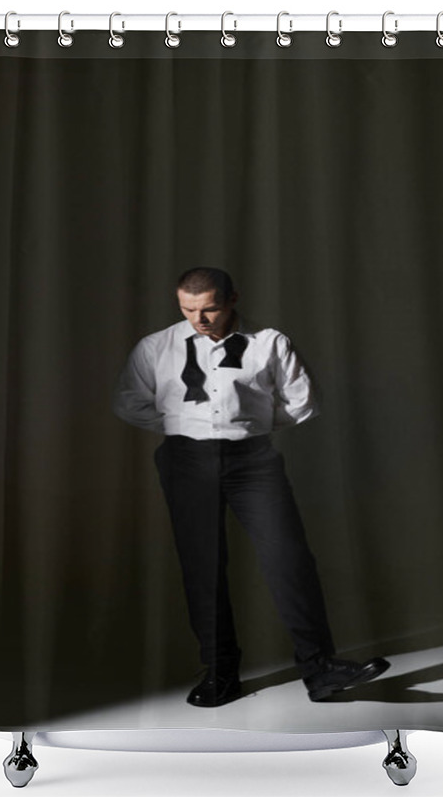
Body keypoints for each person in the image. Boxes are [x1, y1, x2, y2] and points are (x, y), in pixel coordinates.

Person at [112, 267, 389, 707]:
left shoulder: (270, 343)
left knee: (289, 557)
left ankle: (319, 669)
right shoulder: (157, 346)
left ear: (233, 299)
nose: (198, 319)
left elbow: (302, 401)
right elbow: (129, 400)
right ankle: (221, 672)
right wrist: (183, 426)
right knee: (204, 567)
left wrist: (248, 426)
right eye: (188, 309)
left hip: (252, 460)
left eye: (210, 308)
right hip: (186, 460)